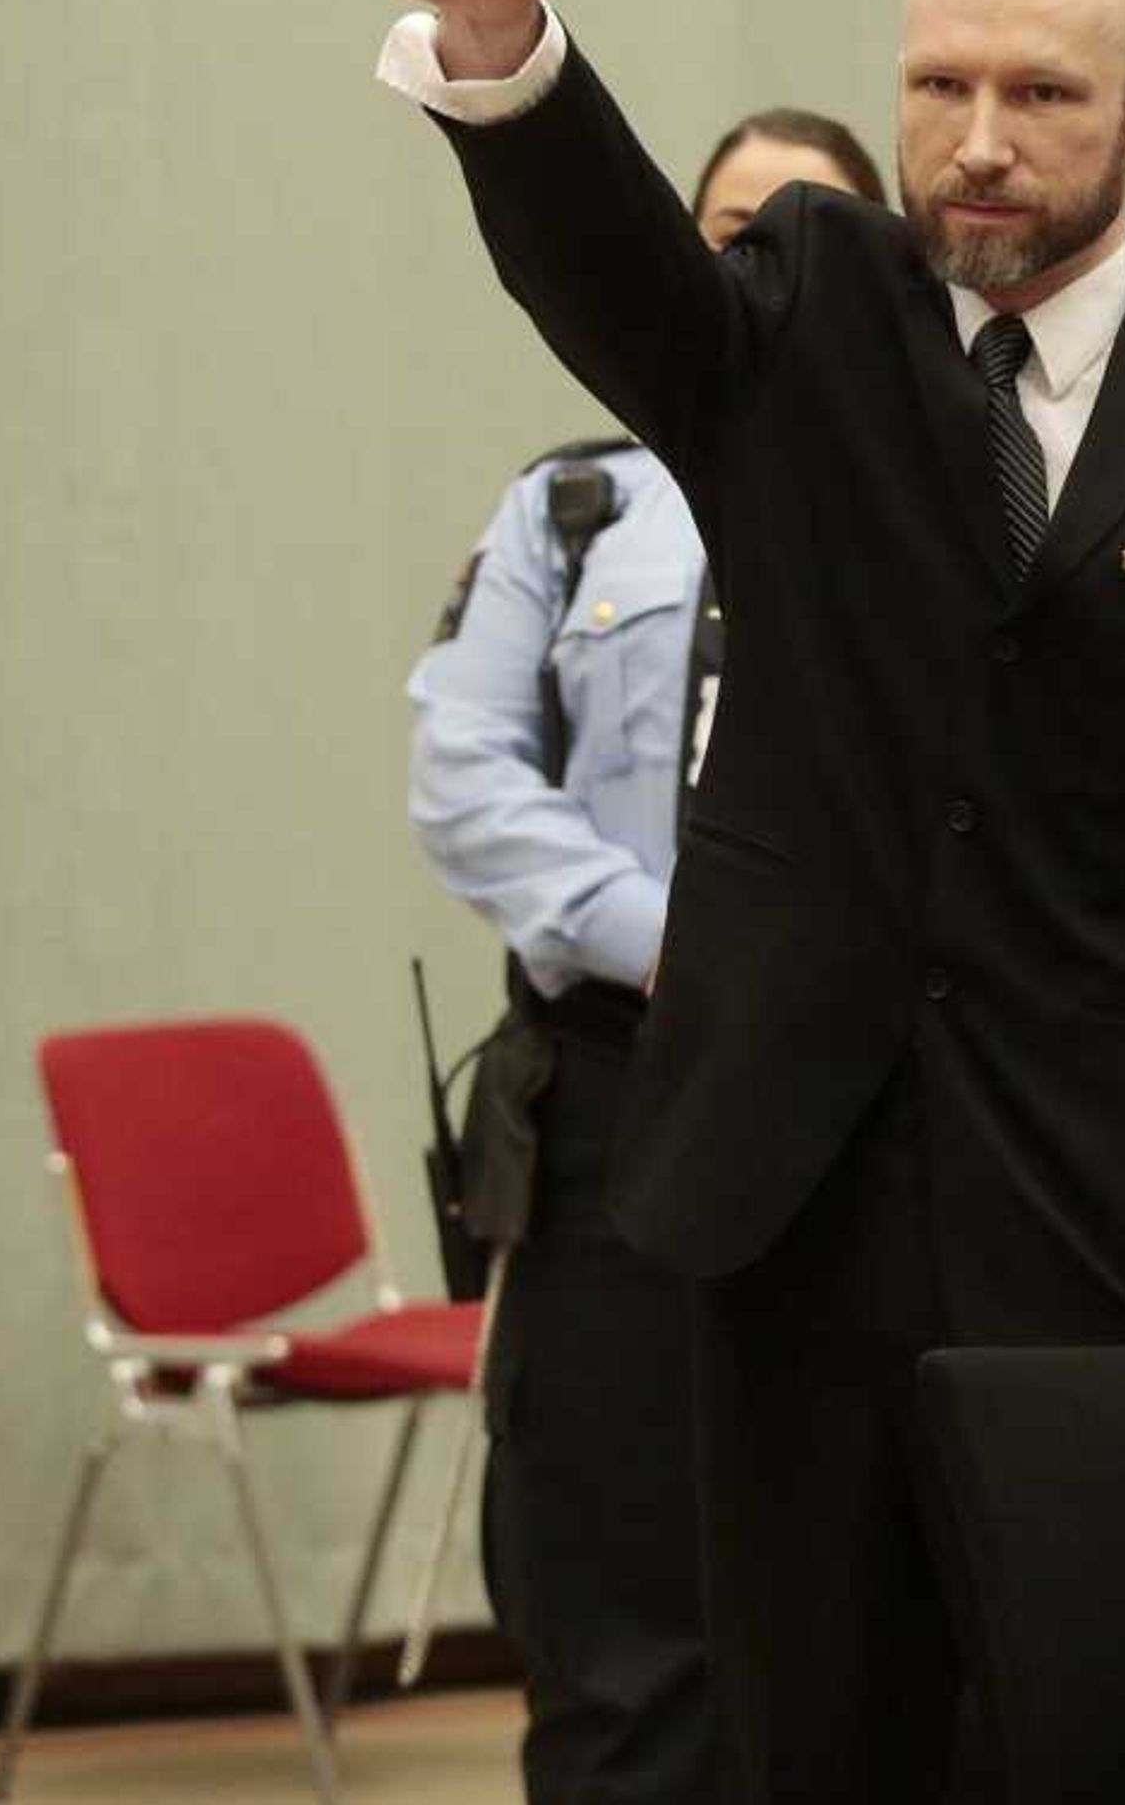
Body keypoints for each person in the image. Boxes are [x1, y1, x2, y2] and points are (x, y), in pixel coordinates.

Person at [363, 0, 1125, 1801]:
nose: (977, 140)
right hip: (794, 1190)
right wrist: (508, 71)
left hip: (1114, 1202)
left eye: (1040, 91)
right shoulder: (797, 318)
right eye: (938, 84)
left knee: (1099, 1730)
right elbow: (614, 271)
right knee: (810, 1736)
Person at [410, 107, 884, 1805]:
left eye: (810, 232)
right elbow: (465, 781)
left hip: (855, 1119)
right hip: (619, 1100)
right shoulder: (579, 507)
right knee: (615, 1623)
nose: (764, 264)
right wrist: (688, 949)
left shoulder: (933, 515)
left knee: (848, 1620)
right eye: (731, 228)